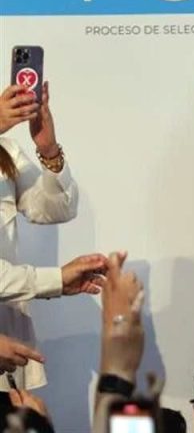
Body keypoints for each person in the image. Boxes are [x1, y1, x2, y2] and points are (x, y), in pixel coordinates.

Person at [0, 82, 108, 396]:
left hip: (9, 348)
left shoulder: (5, 151)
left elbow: (55, 209)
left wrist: (49, 151)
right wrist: (57, 279)